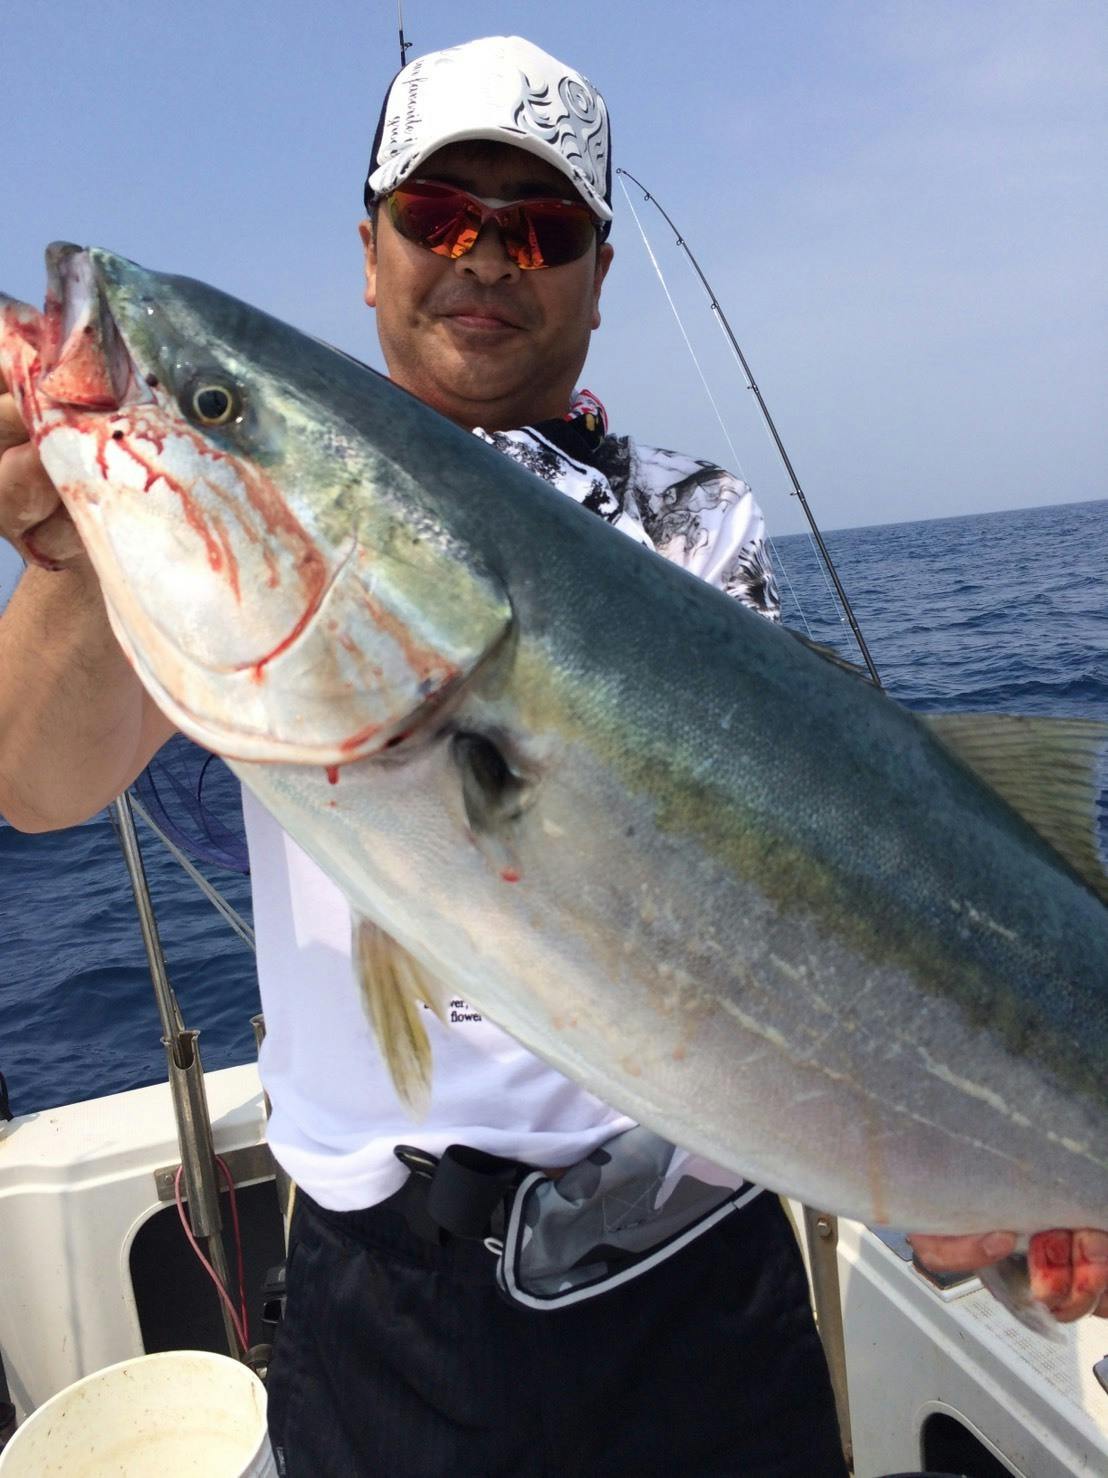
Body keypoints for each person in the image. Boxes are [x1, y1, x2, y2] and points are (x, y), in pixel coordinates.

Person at [0, 33, 1105, 1478]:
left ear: (595, 276)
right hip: (386, 1307)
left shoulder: (690, 523)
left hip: (698, 1292)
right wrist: (86, 529)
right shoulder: (218, 588)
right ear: (371, 252)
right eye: (438, 216)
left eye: (538, 231)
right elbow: (37, 785)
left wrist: (984, 1183)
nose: (483, 258)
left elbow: (826, 911)